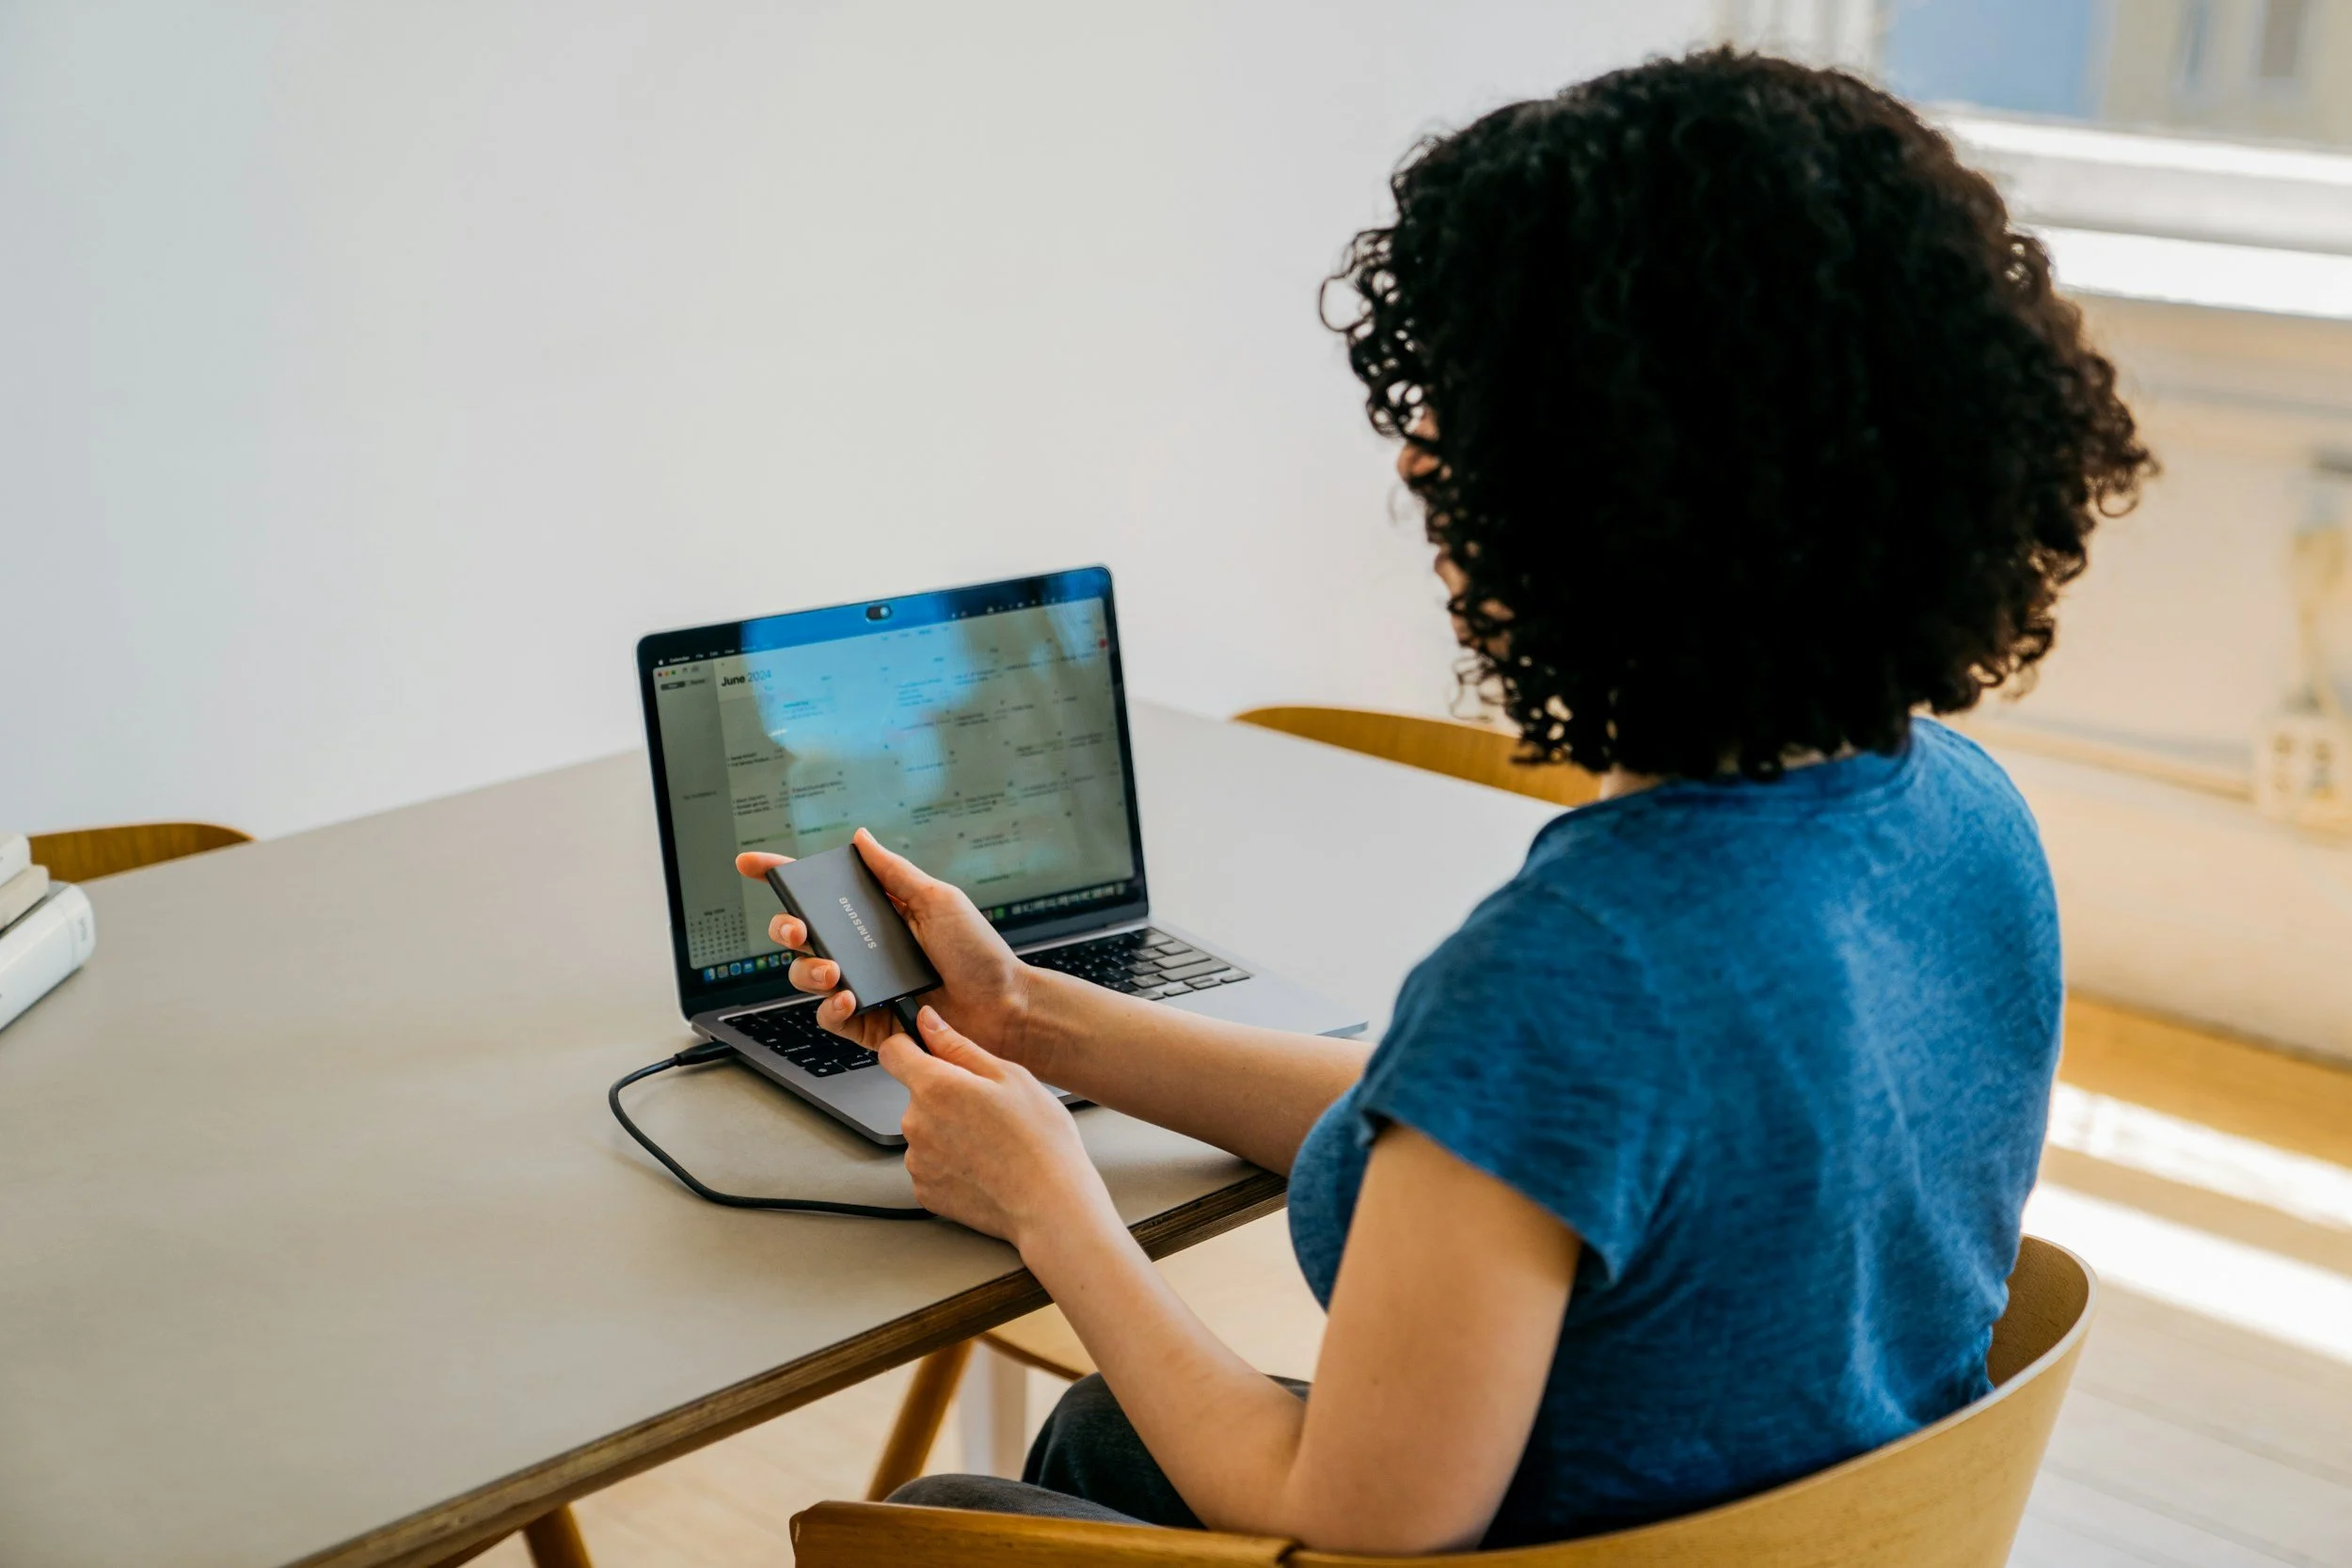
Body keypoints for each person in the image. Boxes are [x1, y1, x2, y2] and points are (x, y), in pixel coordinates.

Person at [738, 47, 2151, 1555]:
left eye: (1474, 410)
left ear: (1611, 491)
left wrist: (1052, 1209)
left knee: (929, 1522)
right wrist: (1032, 1019)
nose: (1421, 458)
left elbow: (1344, 1518)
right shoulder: (1969, 827)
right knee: (1096, 1433)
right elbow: (1505, 1151)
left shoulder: (1577, 972)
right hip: (1813, 1521)